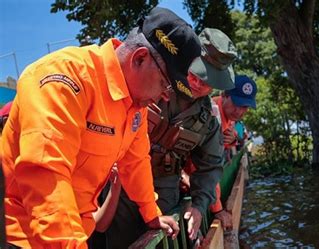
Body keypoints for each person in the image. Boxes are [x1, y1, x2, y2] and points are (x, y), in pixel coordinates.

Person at [1, 6, 201, 248]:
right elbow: (47, 174)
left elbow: (135, 162)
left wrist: (151, 213)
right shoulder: (64, 78)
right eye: (165, 85)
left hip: (77, 233)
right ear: (139, 58)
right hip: (24, 238)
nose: (165, 98)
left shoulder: (135, 107)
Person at [105, 27, 237, 248]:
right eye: (197, 73)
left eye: (208, 80)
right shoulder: (150, 81)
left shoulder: (208, 122)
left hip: (166, 191)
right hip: (122, 188)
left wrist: (199, 205)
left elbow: (211, 167)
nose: (198, 83)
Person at [213, 75, 258, 161]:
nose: (239, 112)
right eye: (235, 103)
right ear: (224, 95)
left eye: (244, 107)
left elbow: (234, 135)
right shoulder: (211, 112)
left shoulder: (230, 116)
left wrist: (232, 140)